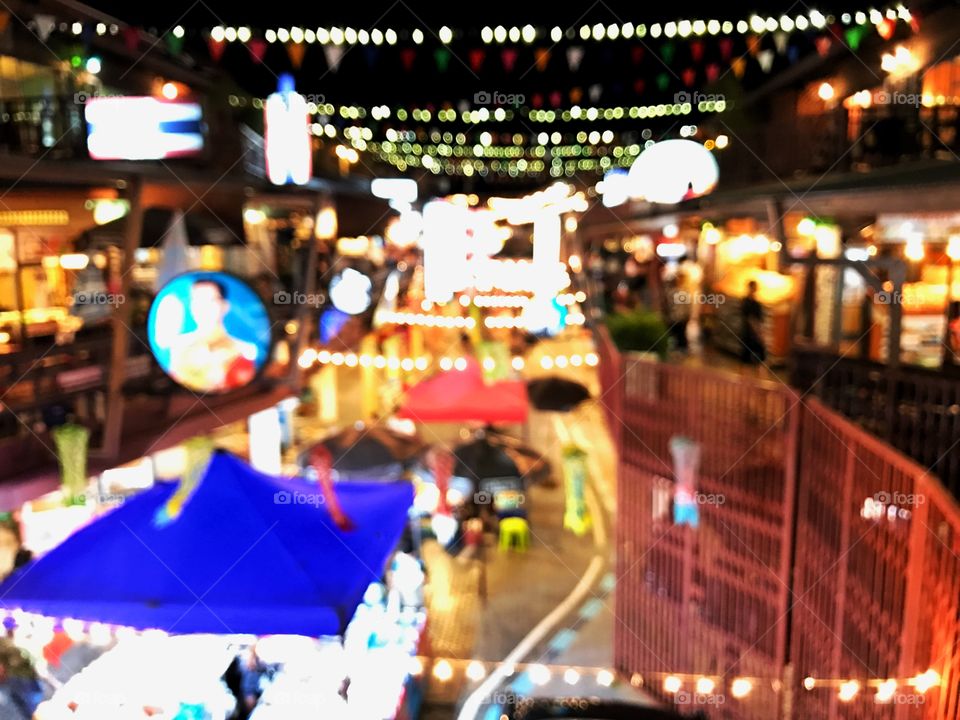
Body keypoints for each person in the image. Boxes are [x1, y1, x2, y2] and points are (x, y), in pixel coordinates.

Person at [167, 278, 258, 392]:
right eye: (197, 301)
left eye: (210, 300)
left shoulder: (246, 351)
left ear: (224, 306)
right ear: (191, 307)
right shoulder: (178, 347)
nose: (203, 308)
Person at [740, 280, 766, 366]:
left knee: (760, 358)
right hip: (748, 332)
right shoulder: (746, 302)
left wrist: (760, 332)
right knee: (745, 357)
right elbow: (749, 318)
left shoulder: (757, 304)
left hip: (755, 332)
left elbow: (759, 319)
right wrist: (756, 330)